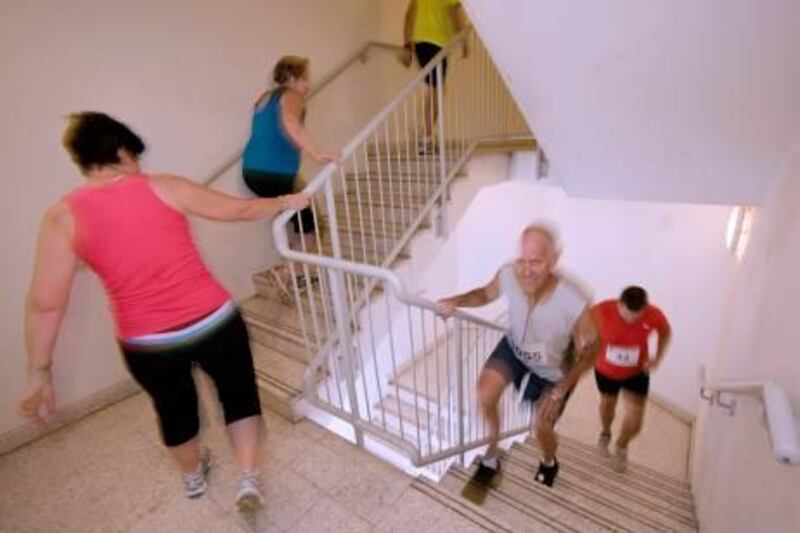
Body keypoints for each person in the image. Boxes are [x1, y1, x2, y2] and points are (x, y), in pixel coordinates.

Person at [17, 112, 308, 510]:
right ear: (121, 151)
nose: (139, 167)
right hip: (215, 321)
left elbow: (45, 304)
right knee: (239, 398)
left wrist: (39, 373)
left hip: (148, 342)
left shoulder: (62, 217)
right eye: (135, 157)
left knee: (175, 413)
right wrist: (286, 200)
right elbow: (238, 210)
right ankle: (249, 479)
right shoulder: (164, 187)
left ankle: (192, 478)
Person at [438, 224, 599, 487]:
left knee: (542, 428)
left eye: (536, 262)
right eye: (522, 260)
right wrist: (456, 301)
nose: (526, 270)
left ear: (554, 259)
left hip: (552, 370)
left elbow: (593, 347)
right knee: (485, 394)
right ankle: (492, 453)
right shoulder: (510, 274)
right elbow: (484, 293)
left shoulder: (573, 297)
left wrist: (563, 386)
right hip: (515, 348)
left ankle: (549, 461)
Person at [241, 55, 337, 301]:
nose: (308, 84)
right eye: (305, 78)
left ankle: (295, 272)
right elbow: (290, 124)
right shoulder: (292, 96)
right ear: (293, 78)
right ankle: (285, 273)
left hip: (252, 171)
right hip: (276, 173)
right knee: (314, 225)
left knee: (297, 219)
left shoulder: (264, 98)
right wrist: (318, 153)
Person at [592, 286, 672, 472]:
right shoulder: (603, 309)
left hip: (637, 372)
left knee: (635, 422)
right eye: (626, 315)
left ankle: (621, 446)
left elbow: (665, 332)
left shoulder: (653, 314)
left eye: (636, 317)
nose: (630, 321)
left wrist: (657, 357)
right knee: (607, 404)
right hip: (606, 371)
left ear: (644, 308)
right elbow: (580, 326)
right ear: (619, 304)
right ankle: (605, 433)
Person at [399, 0, 469, 154]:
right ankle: (427, 136)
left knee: (432, 88)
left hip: (420, 44)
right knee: (436, 90)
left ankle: (426, 134)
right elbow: (456, 19)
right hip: (438, 44)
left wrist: (407, 44)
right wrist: (465, 43)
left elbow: (409, 15)